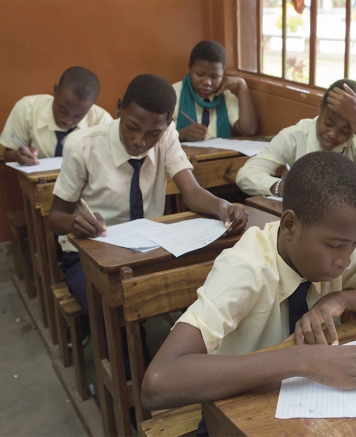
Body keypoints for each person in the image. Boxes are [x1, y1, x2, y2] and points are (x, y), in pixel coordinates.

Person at [141, 151, 356, 434]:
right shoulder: (246, 268)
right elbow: (158, 382)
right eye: (334, 246)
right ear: (290, 224)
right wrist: (304, 360)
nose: (345, 260)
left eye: (355, 245)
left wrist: (342, 298)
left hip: (309, 410)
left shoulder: (341, 242)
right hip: (234, 415)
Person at [47, 73, 248, 327]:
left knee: (205, 294)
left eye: (153, 134)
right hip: (88, 255)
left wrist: (223, 206)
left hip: (147, 249)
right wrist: (76, 222)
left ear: (167, 124)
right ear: (119, 108)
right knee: (115, 318)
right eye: (131, 127)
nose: (140, 141)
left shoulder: (167, 135)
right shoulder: (83, 145)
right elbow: (55, 219)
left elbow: (192, 192)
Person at [236, 79, 356, 197]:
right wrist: (283, 187)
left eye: (345, 130)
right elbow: (246, 174)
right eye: (328, 123)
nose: (333, 134)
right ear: (320, 107)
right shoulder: (295, 135)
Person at [0, 66, 112, 165]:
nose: (67, 121)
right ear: (55, 90)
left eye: (78, 116)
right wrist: (19, 156)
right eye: (62, 110)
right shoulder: (26, 109)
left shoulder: (102, 121)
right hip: (38, 186)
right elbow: (8, 155)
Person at [173, 40, 257, 142]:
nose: (207, 82)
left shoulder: (225, 97)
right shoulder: (174, 94)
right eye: (200, 74)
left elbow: (248, 130)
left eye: (214, 77)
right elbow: (158, 137)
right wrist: (182, 134)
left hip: (217, 156)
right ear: (190, 68)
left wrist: (242, 85)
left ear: (222, 75)